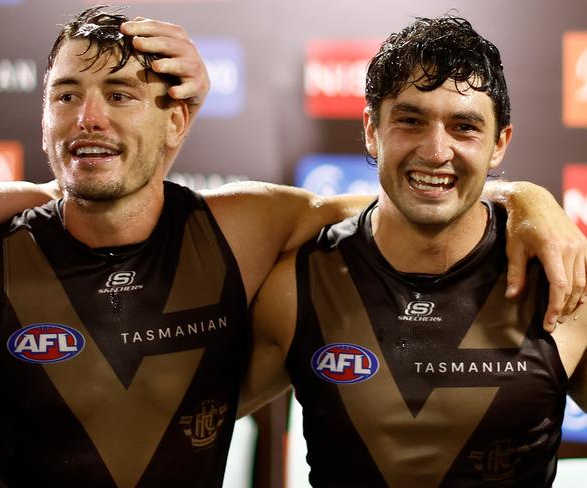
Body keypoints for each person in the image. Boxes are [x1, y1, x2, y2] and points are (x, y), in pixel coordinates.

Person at [0, 7, 587, 488]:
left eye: (119, 95)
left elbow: (418, 204)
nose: (90, 118)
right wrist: (8, 448)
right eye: (67, 97)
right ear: (372, 130)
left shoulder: (560, 283)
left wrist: (529, 199)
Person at [241, 15, 587, 487]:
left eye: (464, 127)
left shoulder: (561, 285)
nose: (435, 150)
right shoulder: (297, 286)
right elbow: (184, 419)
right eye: (410, 120)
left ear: (499, 143)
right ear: (371, 129)